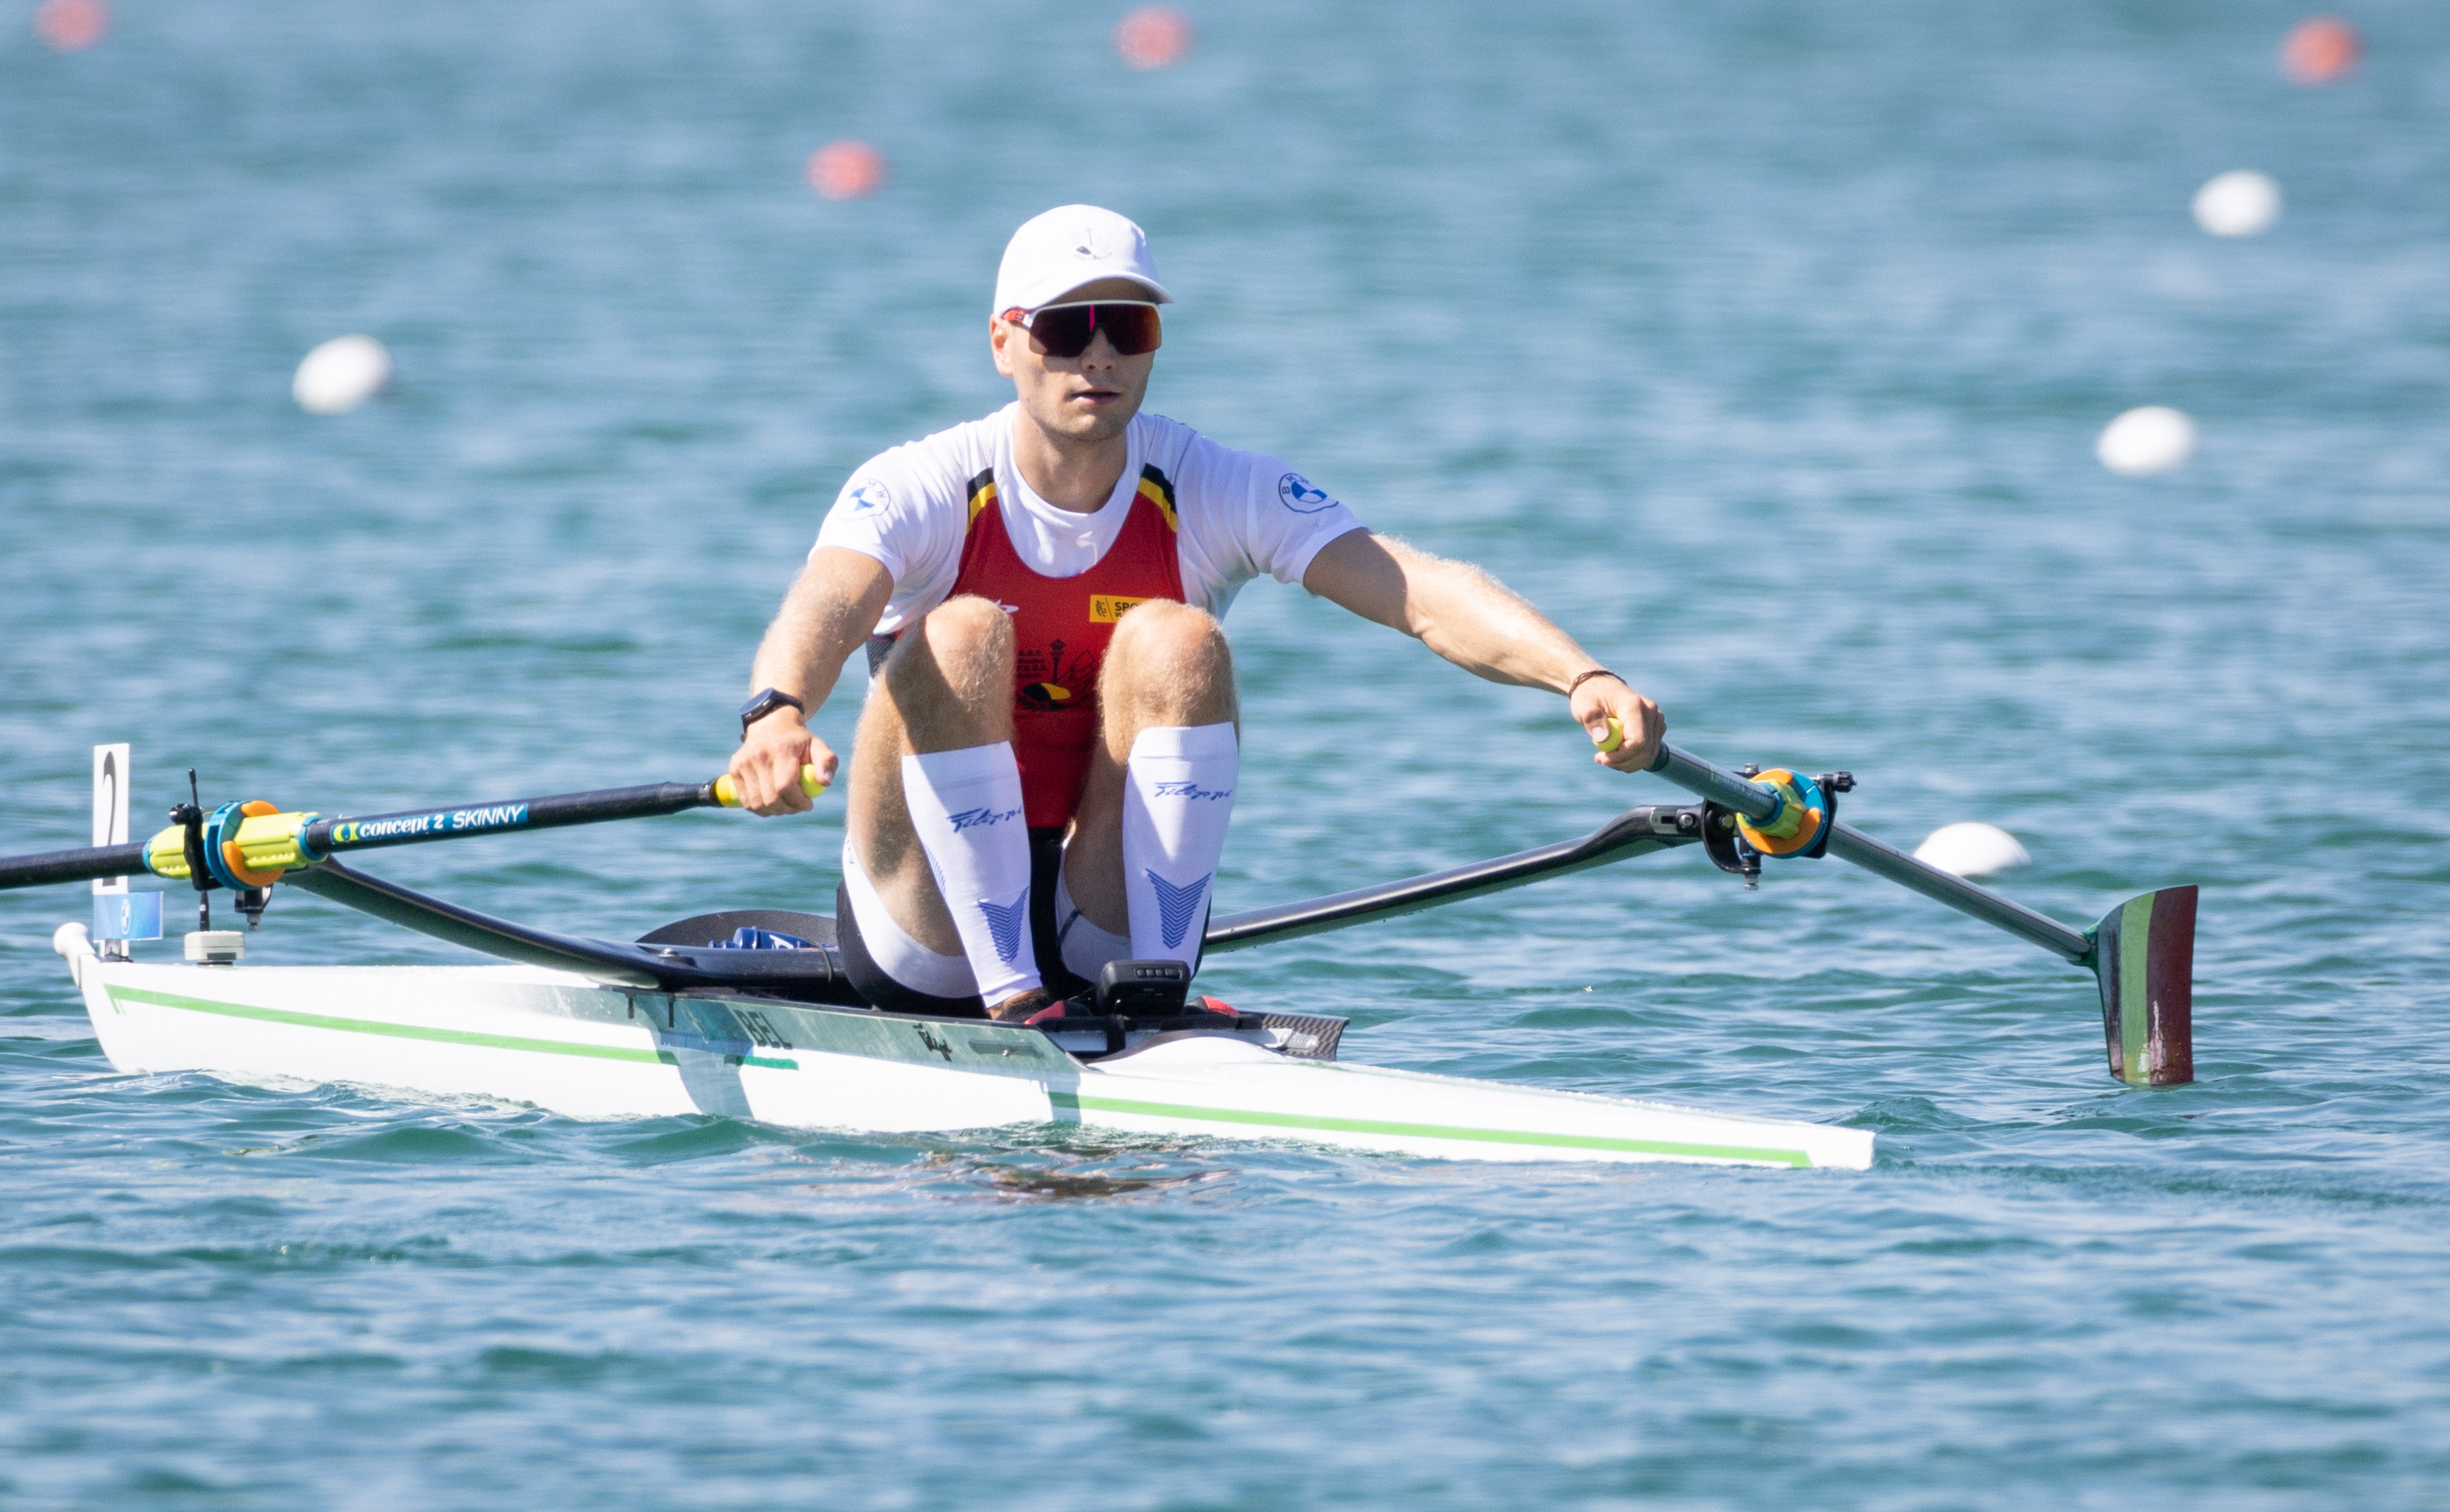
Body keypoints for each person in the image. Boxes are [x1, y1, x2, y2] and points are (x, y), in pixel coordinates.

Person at [725, 205, 1663, 1021]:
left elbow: (1414, 590)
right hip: (925, 933)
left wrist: (1582, 673)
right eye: (1066, 326)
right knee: (960, 629)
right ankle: (1010, 991)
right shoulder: (922, 483)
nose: (1099, 352)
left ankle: (1154, 982)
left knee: (1179, 639)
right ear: (1004, 342)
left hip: (1110, 919)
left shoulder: (1209, 484)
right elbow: (832, 599)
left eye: (1127, 325)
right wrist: (777, 711)